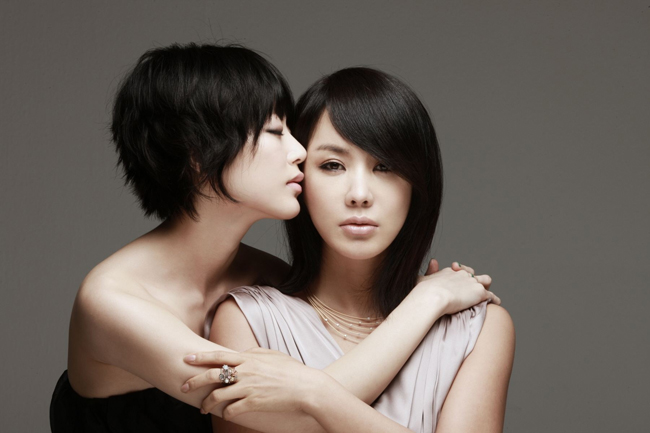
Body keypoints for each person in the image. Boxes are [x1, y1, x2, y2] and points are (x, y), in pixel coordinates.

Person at [50, 43, 499, 433]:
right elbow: (291, 410)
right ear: (198, 153)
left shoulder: (262, 277)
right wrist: (425, 303)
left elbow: (312, 392)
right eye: (274, 132)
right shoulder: (112, 301)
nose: (299, 151)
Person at [194, 68, 515, 432]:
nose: (359, 194)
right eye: (332, 165)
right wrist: (427, 301)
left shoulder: (477, 328)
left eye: (385, 166)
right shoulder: (246, 320)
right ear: (299, 177)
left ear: (417, 183)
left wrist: (315, 393)